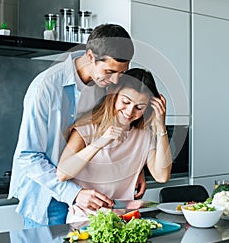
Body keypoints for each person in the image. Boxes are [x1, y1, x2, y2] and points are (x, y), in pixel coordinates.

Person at [8, 24, 146, 228]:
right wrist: (73, 194)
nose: (115, 79)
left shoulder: (103, 86)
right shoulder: (45, 87)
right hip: (48, 199)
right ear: (90, 57)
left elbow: (111, 131)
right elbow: (28, 156)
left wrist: (137, 167)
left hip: (89, 199)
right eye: (109, 71)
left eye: (121, 72)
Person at [57, 68, 172, 223]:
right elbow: (62, 173)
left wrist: (161, 126)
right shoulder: (87, 128)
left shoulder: (144, 135)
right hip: (83, 221)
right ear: (114, 95)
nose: (130, 111)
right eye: (125, 102)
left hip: (124, 220)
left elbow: (162, 175)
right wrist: (100, 142)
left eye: (139, 107)